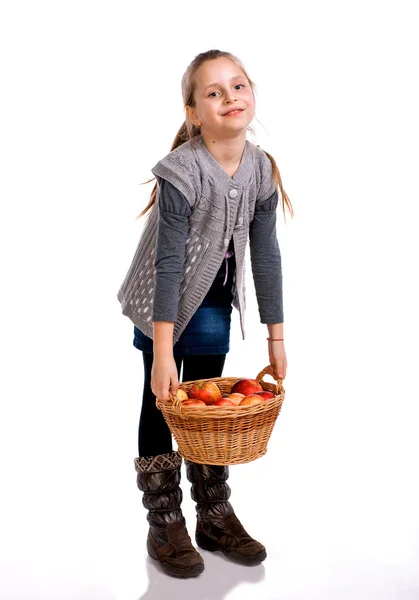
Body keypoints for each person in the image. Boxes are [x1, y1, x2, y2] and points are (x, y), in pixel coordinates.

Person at [116, 49, 294, 579]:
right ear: (194, 112)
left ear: (252, 94)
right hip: (161, 305)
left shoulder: (261, 167)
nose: (229, 98)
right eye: (213, 92)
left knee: (206, 406)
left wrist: (275, 339)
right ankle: (164, 521)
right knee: (164, 403)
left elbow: (265, 254)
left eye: (238, 86)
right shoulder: (182, 172)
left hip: (212, 296)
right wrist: (161, 352)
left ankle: (213, 515)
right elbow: (169, 264)